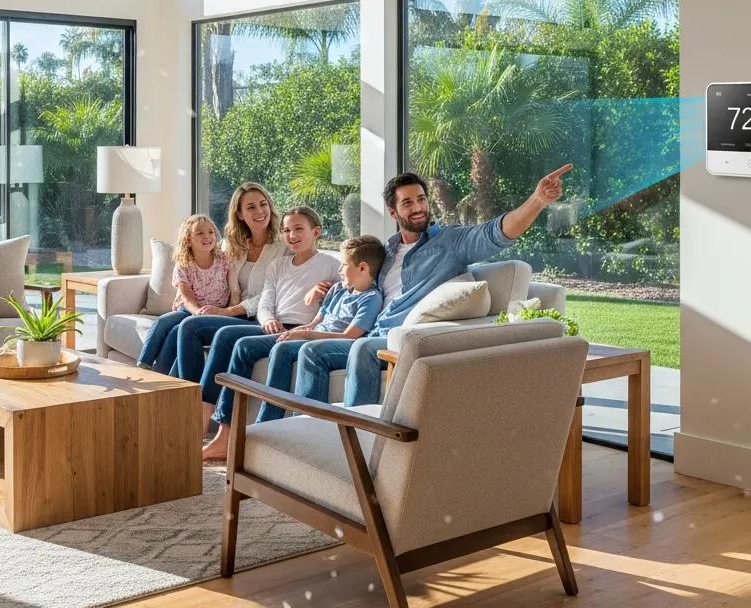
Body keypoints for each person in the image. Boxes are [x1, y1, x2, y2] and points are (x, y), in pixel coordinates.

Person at [293, 165, 573, 408]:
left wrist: (537, 200)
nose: (417, 208)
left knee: (363, 348)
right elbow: (359, 280)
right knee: (308, 351)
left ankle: (360, 436)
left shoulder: (449, 242)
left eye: (421, 199)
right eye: (407, 203)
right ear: (393, 212)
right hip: (368, 329)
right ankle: (303, 429)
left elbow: (496, 232)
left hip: (397, 337)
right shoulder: (386, 252)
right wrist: (329, 288)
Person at [199, 206, 340, 461]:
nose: (292, 235)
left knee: (244, 346)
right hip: (273, 325)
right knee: (225, 335)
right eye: (287, 230)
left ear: (316, 232)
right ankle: (213, 420)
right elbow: (265, 301)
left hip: (299, 331)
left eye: (299, 229)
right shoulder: (278, 265)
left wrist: (327, 292)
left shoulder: (331, 265)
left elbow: (346, 297)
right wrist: (268, 319)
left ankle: (227, 435)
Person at [253, 234, 385, 424]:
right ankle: (268, 421)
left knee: (299, 348)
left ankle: (303, 423)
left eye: (344, 265)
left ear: (362, 267)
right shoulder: (338, 289)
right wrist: (296, 331)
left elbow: (349, 336)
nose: (339, 270)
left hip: (332, 342)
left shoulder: (371, 298)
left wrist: (305, 334)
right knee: (280, 347)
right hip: (314, 334)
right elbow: (314, 323)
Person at [156, 184, 285, 377]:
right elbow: (210, 273)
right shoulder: (232, 245)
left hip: (259, 317)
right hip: (232, 313)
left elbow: (274, 292)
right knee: (176, 328)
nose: (259, 211)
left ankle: (184, 397)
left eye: (263, 204)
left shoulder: (283, 247)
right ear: (240, 214)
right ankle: (161, 391)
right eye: (251, 207)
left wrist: (228, 311)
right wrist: (183, 291)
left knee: (190, 326)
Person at [136, 215, 229, 372]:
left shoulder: (223, 260)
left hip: (215, 312)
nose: (207, 236)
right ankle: (144, 364)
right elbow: (186, 296)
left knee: (175, 332)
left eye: (211, 232)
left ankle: (163, 374)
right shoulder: (184, 264)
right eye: (199, 233)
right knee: (163, 322)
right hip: (189, 310)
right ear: (188, 240)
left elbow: (233, 288)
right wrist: (197, 313)